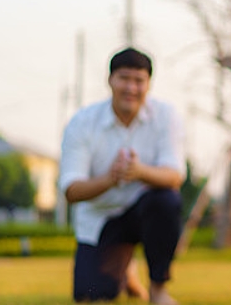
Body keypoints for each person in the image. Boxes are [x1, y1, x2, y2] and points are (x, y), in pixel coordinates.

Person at [58, 47, 185, 305]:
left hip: (146, 211)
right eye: (124, 78)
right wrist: (110, 178)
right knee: (91, 295)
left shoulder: (166, 116)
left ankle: (158, 288)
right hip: (102, 219)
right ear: (110, 80)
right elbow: (71, 190)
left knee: (166, 201)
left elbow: (174, 176)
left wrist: (139, 172)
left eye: (139, 81)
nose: (131, 88)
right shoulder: (82, 122)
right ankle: (125, 268)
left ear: (149, 84)